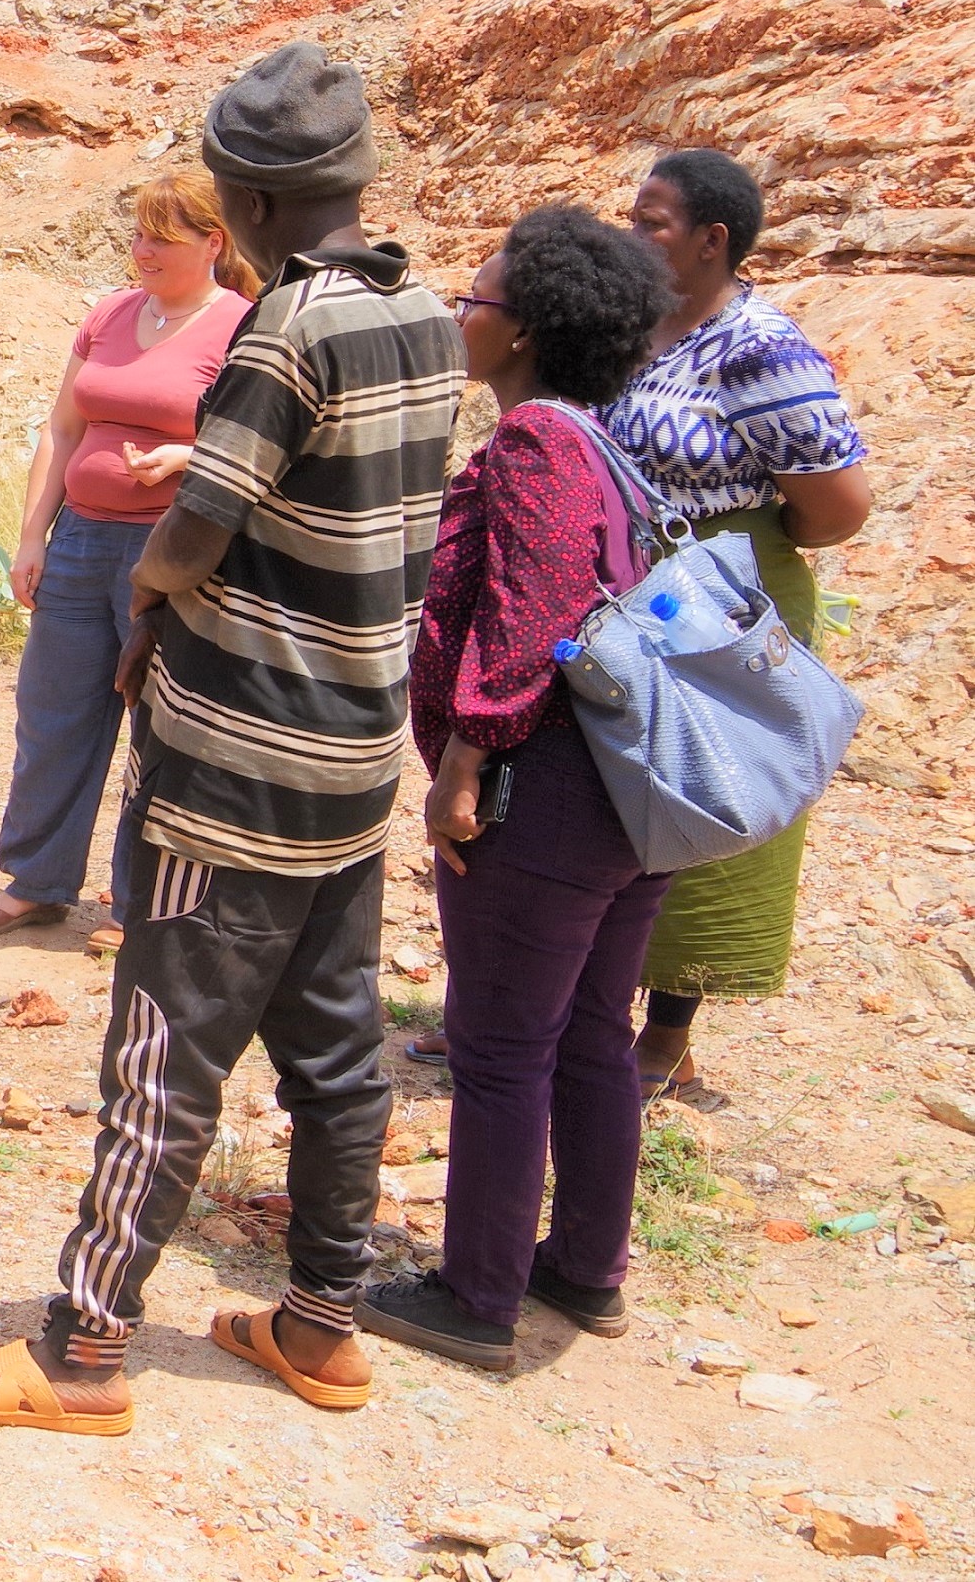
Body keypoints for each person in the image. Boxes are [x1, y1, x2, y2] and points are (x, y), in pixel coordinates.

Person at [0, 41, 461, 1436]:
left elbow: (202, 523)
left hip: (237, 759)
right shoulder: (429, 315)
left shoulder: (287, 329)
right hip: (349, 754)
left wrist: (152, 589)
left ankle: (84, 1347)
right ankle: (323, 1323)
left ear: (251, 202)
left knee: (164, 1045)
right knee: (337, 1056)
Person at [350, 208, 679, 1370]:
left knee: (497, 1044)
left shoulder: (536, 441)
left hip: (542, 796)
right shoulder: (598, 437)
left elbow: (528, 616)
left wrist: (464, 763)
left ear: (526, 329)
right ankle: (583, 1272)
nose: (457, 314)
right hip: (625, 804)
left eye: (473, 301)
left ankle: (475, 1295)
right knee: (591, 1030)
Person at [605, 148, 871, 1097]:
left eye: (653, 221)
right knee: (602, 795)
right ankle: (568, 1011)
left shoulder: (761, 347)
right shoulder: (633, 330)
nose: (631, 233)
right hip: (621, 599)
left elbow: (837, 507)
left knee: (700, 794)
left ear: (712, 241)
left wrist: (728, 542)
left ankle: (665, 1035)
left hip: (721, 609)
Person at [0, 171, 258, 948]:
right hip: (82, 540)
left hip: (171, 551)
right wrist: (33, 536)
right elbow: (61, 430)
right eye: (139, 234)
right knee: (53, 711)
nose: (144, 250)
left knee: (157, 723)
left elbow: (255, 445)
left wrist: (185, 458)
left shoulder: (242, 327)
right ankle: (37, 881)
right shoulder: (111, 314)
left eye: (163, 237)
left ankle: (137, 903)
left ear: (212, 243)